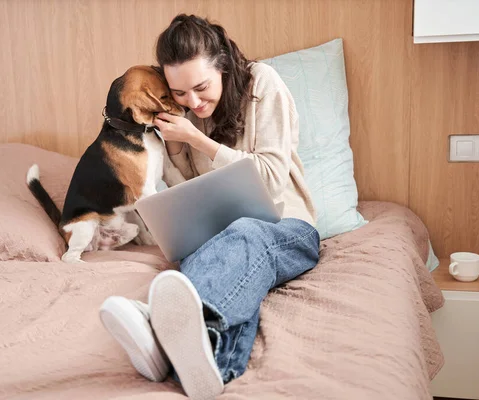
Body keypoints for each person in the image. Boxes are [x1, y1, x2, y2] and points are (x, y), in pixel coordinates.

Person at [99, 14, 320, 400]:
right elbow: (188, 196)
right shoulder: (182, 115)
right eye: (179, 93)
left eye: (201, 88)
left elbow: (270, 181)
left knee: (245, 234)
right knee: (224, 269)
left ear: (223, 66)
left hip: (287, 229)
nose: (193, 102)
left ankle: (156, 328)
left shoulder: (263, 84)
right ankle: (212, 365)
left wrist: (199, 142)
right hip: (220, 238)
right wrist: (174, 147)